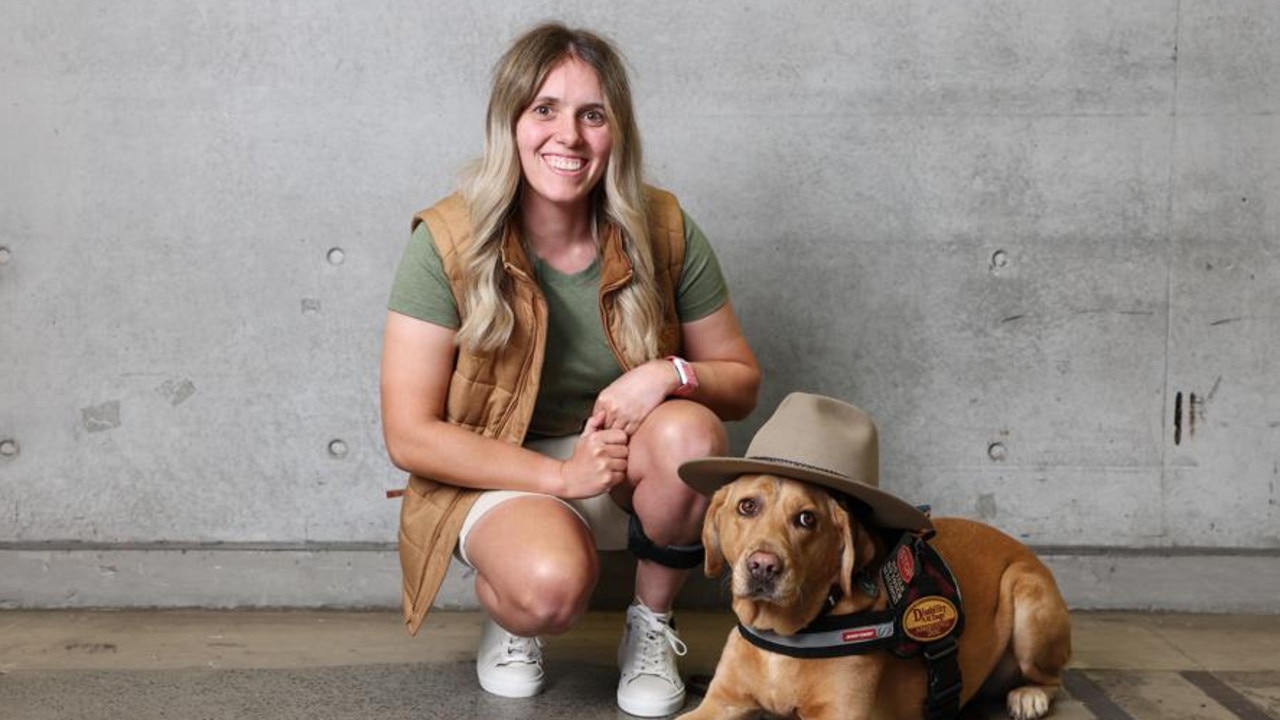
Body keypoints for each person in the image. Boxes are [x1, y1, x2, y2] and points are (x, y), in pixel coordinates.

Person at [379, 21, 761, 718]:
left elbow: (740, 379)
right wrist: (559, 478)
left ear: (617, 132)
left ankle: (651, 627)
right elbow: (409, 434)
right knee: (551, 591)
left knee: (690, 432)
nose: (570, 136)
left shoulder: (663, 226)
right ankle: (513, 610)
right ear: (511, 122)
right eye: (545, 109)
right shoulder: (448, 242)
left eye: (593, 114)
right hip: (496, 471)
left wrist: (665, 374)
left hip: (620, 465)